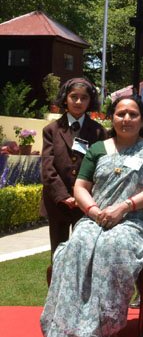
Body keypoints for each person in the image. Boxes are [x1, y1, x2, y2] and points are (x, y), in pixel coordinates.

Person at [40, 96, 143, 337]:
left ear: (141, 119)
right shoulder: (98, 149)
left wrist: (125, 206)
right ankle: (67, 327)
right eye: (121, 113)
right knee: (76, 244)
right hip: (96, 216)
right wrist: (93, 210)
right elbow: (80, 187)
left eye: (133, 114)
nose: (126, 119)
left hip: (136, 219)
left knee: (111, 245)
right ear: (112, 117)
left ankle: (103, 326)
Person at [40, 77, 107, 255]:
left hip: (87, 203)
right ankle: (56, 283)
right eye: (73, 96)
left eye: (84, 98)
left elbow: (102, 167)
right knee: (58, 252)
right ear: (65, 98)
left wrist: (83, 197)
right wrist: (63, 195)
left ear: (90, 101)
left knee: (83, 252)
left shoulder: (99, 132)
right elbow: (47, 167)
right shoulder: (51, 130)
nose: (78, 102)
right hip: (58, 202)